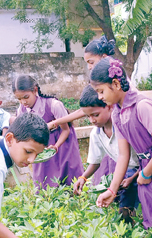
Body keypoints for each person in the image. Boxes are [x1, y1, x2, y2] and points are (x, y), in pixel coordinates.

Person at [91, 57, 152, 230]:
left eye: (101, 91)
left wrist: (147, 173)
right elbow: (123, 155)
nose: (100, 97)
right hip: (147, 167)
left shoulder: (142, 106)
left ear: (116, 84)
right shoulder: (117, 114)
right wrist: (112, 191)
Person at [48, 36, 118, 185]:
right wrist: (56, 122)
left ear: (104, 58)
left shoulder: (114, 81)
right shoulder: (97, 131)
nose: (89, 67)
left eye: (91, 62)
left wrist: (56, 122)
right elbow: (87, 110)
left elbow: (89, 111)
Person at [73, 85, 140, 223]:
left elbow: (145, 156)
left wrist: (133, 177)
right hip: (126, 174)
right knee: (124, 212)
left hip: (144, 169)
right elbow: (95, 161)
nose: (92, 120)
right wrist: (83, 178)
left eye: (95, 115)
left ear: (109, 106)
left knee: (142, 211)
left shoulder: (124, 125)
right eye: (88, 116)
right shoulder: (96, 134)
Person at [11, 75, 84, 189]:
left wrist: (55, 146)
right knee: (44, 180)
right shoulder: (22, 110)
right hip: (41, 148)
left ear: (35, 90)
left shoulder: (53, 105)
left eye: (26, 97)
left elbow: (66, 130)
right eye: (19, 99)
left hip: (62, 144)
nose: (23, 102)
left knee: (68, 176)